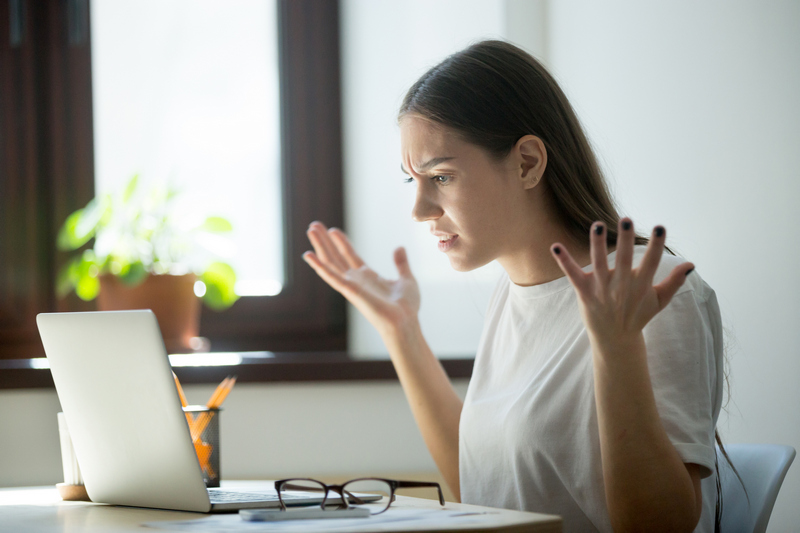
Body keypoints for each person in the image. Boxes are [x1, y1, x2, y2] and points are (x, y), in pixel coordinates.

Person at [302, 40, 723, 533]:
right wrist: (401, 332)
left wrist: (618, 347)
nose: (420, 210)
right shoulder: (514, 292)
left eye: (441, 176)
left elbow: (659, 527)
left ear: (527, 162)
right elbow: (486, 493)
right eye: (412, 181)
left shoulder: (651, 294)